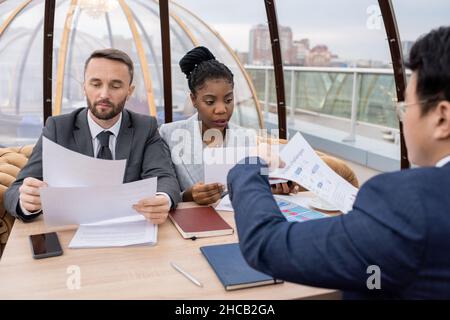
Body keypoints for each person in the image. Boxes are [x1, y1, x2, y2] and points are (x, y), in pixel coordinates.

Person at [228, 26, 450, 299]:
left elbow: (268, 245)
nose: (404, 122)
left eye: (405, 108)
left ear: (441, 118)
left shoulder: (409, 204)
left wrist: (249, 167)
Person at [4, 48, 181, 225]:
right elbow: (14, 191)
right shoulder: (57, 128)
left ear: (130, 91)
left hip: (130, 232)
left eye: (115, 86)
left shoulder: (146, 127)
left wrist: (162, 199)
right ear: (84, 87)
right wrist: (27, 202)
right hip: (71, 231)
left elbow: (164, 178)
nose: (104, 94)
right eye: (96, 84)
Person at [159, 46, 259, 205]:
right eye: (210, 102)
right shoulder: (169, 134)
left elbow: (254, 187)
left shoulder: (247, 138)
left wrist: (275, 186)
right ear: (193, 100)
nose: (221, 110)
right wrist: (188, 195)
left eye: (228, 100)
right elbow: (163, 189)